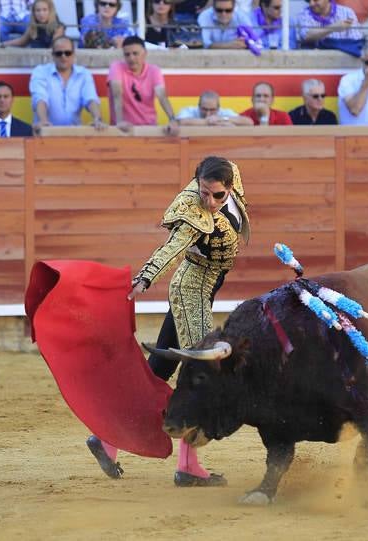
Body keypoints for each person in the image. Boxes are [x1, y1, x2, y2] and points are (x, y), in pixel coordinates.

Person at [86, 156, 250, 488]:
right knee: (201, 375)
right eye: (204, 193)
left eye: (217, 195)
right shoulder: (193, 213)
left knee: (159, 367)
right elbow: (172, 247)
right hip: (192, 291)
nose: (210, 202)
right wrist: (145, 278)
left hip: (200, 287)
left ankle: (106, 438)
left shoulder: (231, 174)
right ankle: (187, 466)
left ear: (230, 187)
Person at [29, 37, 106, 131]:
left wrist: (97, 118)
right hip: (45, 134)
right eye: (59, 53)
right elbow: (40, 98)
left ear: (74, 55)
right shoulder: (40, 71)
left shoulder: (84, 74)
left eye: (67, 53)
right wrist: (43, 122)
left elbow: (90, 99)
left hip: (74, 135)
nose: (63, 56)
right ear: (52, 55)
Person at [107, 36, 178, 133]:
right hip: (123, 129)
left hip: (149, 128)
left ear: (145, 53)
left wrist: (172, 120)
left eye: (135, 53)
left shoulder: (154, 70)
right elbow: (117, 94)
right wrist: (119, 122)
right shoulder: (116, 67)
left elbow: (162, 96)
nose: (131, 58)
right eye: (127, 55)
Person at [295, 0, 364, 53]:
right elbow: (306, 35)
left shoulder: (346, 12)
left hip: (344, 62)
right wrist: (333, 27)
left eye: (315, 0)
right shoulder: (304, 13)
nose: (311, 4)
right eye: (308, 0)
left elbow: (356, 41)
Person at [176, 90, 254, 126]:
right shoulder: (189, 110)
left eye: (212, 110)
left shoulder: (224, 112)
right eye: (204, 109)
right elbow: (180, 122)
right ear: (198, 106)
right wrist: (209, 122)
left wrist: (222, 119)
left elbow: (249, 122)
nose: (208, 113)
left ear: (218, 108)